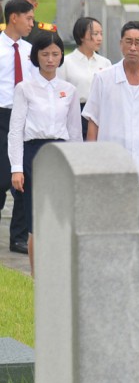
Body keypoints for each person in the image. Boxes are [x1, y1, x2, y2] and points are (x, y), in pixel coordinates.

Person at [83, 21, 139, 315]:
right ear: (120, 44)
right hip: (112, 172)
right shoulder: (104, 79)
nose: (132, 47)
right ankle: (111, 290)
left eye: (138, 43)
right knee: (112, 232)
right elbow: (93, 123)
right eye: (127, 41)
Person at [7, 31, 82, 273]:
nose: (50, 59)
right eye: (45, 54)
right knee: (36, 221)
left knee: (61, 218)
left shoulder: (69, 90)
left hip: (60, 154)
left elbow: (74, 132)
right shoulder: (24, 88)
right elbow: (15, 131)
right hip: (33, 155)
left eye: (55, 54)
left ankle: (59, 273)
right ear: (36, 56)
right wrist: (17, 168)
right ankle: (37, 277)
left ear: (61, 57)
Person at [1, 0, 39, 256]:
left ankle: (18, 237)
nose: (32, 23)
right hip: (1, 114)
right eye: (28, 18)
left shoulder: (31, 51)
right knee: (3, 175)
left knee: (24, 178)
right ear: (14, 17)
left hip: (25, 117)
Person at [58, 16, 111, 139]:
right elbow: (60, 94)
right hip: (76, 113)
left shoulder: (105, 63)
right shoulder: (66, 62)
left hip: (100, 114)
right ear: (81, 36)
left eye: (101, 34)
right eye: (95, 34)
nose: (99, 38)